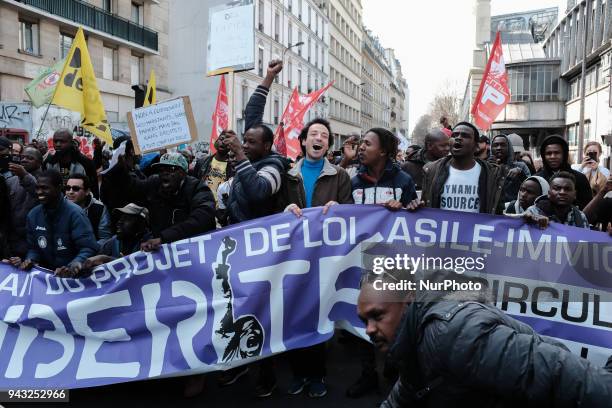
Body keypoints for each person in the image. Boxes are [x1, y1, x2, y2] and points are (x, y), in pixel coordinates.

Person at [357, 268, 612, 407]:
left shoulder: (455, 334)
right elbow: (406, 392)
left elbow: (561, 376)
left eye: (377, 315)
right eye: (364, 321)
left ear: (408, 299)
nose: (369, 329)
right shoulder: (412, 342)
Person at [282, 118, 353, 398]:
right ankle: (298, 374)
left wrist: (341, 209)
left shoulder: (340, 176)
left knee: (319, 315)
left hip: (324, 257)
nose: (319, 138)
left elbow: (351, 212)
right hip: (294, 257)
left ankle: (317, 375)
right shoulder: (288, 175)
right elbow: (275, 211)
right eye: (314, 134)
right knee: (293, 315)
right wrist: (285, 208)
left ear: (328, 144)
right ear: (302, 141)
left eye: (324, 135)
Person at [103, 152, 216, 251]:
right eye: (161, 170)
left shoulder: (198, 189)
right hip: (163, 252)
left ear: (182, 173)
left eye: (171, 169)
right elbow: (132, 190)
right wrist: (121, 168)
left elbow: (201, 219)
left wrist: (163, 238)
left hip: (193, 250)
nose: (164, 173)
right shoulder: (154, 183)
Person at [7, 169, 98, 277]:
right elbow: (33, 248)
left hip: (74, 278)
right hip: (47, 278)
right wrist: (30, 260)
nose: (39, 192)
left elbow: (88, 248)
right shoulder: (33, 215)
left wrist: (73, 266)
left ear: (59, 188)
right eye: (37, 188)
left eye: (45, 188)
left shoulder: (75, 214)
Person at [415, 122, 506, 215]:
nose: (458, 138)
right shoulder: (431, 170)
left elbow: (500, 213)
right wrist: (415, 207)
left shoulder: (492, 173)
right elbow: (425, 207)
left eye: (465, 136)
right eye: (454, 135)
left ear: (476, 146)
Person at [352, 128, 417, 209]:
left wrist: (402, 208)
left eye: (368, 144)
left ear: (383, 151)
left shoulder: (404, 181)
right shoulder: (354, 182)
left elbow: (412, 215)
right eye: (361, 143)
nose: (361, 147)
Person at [82, 203, 153, 273]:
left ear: (141, 224)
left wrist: (107, 260)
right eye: (121, 218)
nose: (119, 222)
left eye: (127, 219)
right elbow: (92, 264)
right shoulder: (112, 242)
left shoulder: (151, 244)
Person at [0, 136, 38, 258]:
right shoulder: (10, 181)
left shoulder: (45, 179)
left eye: (30, 158)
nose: (24, 160)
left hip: (32, 241)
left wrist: (25, 175)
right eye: (22, 158)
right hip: (11, 241)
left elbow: (38, 192)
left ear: (40, 162)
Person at [534, 135, 592, 209]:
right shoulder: (537, 179)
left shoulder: (580, 178)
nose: (552, 156)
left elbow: (588, 206)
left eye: (557, 153)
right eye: (548, 153)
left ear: (564, 154)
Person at [192, 130, 236, 225]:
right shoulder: (202, 162)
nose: (223, 142)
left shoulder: (233, 166)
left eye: (227, 141)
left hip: (221, 212)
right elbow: (193, 184)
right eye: (221, 139)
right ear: (216, 141)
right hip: (203, 207)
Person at [523, 171, 589, 228]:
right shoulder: (533, 212)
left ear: (575, 195)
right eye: (557, 188)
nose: (562, 192)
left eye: (567, 189)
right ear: (549, 193)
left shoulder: (581, 217)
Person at [44, 129, 99, 197]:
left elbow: (93, 188)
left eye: (62, 141)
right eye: (55, 141)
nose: (58, 144)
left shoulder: (85, 162)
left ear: (71, 142)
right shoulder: (49, 162)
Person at [65, 174, 112, 245]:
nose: (70, 192)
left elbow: (105, 238)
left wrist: (89, 250)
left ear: (87, 191)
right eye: (68, 188)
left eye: (76, 189)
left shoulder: (99, 208)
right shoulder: (58, 206)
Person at [489, 134, 530, 203]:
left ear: (509, 148)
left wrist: (520, 174)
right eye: (496, 145)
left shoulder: (520, 166)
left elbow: (530, 188)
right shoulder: (484, 166)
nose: (499, 148)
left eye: (503, 145)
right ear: (491, 148)